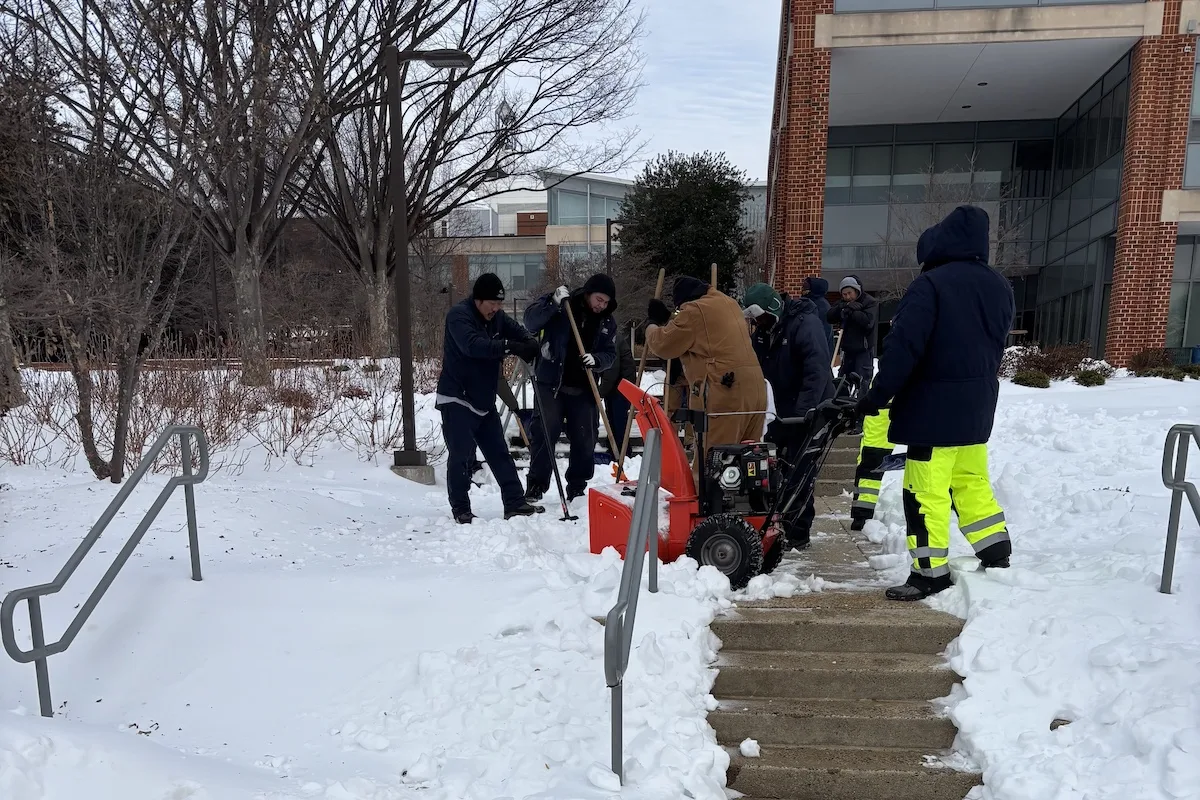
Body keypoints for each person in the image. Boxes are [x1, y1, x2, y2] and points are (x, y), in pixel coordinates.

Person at [855, 205, 1014, 601]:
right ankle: (995, 550)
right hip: (977, 409)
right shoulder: (999, 286)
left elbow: (903, 348)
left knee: (924, 492)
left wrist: (876, 397)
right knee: (971, 481)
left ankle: (930, 574)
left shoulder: (931, 286)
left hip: (932, 413)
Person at [435, 273, 545, 524]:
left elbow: (518, 333)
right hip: (457, 396)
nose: (496, 308)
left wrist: (529, 344)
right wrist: (509, 346)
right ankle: (461, 508)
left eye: (499, 304)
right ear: (478, 300)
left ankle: (515, 502)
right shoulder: (458, 316)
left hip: (483, 398)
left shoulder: (497, 318)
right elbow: (472, 346)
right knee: (461, 455)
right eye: (492, 304)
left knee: (499, 452)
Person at [743, 282, 833, 551]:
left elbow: (816, 372)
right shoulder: (763, 333)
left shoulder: (805, 324)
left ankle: (797, 534)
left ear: (772, 308)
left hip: (808, 410)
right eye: (754, 319)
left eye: (760, 316)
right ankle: (774, 525)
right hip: (778, 411)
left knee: (799, 471)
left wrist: (805, 413)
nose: (758, 322)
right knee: (772, 469)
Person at [523, 274, 618, 503]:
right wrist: (552, 302)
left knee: (586, 437)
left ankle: (577, 486)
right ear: (588, 293)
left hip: (584, 388)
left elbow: (610, 354)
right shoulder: (562, 306)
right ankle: (536, 484)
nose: (601, 306)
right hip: (552, 383)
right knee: (546, 432)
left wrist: (597, 360)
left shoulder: (607, 322)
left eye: (606, 302)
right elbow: (530, 323)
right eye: (599, 299)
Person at [645, 276, 766, 453]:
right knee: (746, 462)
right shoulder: (728, 303)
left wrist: (652, 324)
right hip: (755, 392)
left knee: (714, 462)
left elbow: (663, 344)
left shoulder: (694, 310)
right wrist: (670, 318)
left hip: (726, 393)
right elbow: (702, 330)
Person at [827, 275, 878, 387]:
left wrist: (854, 312)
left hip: (863, 349)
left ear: (856, 290)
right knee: (843, 382)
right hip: (848, 350)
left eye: (850, 293)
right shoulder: (843, 304)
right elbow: (830, 317)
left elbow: (868, 322)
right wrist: (842, 308)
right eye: (844, 294)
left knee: (862, 381)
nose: (847, 297)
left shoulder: (869, 302)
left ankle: (860, 402)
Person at [597, 322, 636, 461]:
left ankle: (623, 450)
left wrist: (600, 393)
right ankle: (613, 445)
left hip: (623, 386)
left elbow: (611, 372)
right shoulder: (608, 339)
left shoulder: (612, 341)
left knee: (618, 418)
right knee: (612, 415)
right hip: (616, 386)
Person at [802, 276, 834, 353]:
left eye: (806, 287)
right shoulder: (808, 302)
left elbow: (825, 331)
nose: (803, 289)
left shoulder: (821, 305)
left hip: (818, 350)